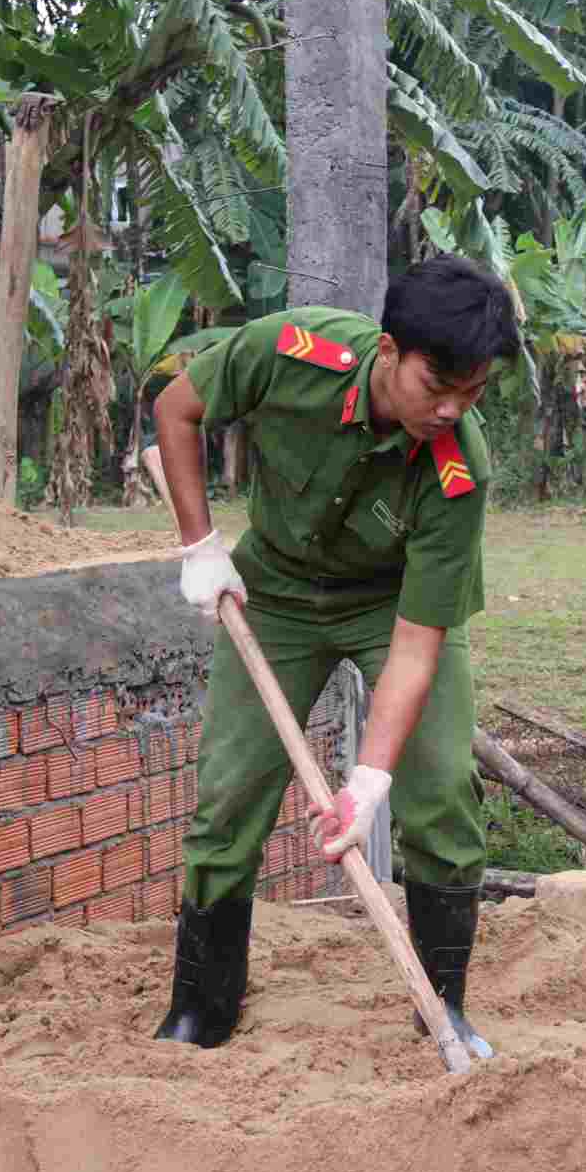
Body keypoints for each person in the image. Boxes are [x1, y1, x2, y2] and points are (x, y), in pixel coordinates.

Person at [149, 255, 519, 1059]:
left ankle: (442, 1006)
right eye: (438, 384)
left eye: (475, 390)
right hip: (275, 592)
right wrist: (200, 546)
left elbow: (418, 647)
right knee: (228, 793)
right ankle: (202, 1006)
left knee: (443, 792)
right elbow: (176, 409)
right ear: (389, 351)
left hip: (394, 604)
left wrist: (369, 781)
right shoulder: (289, 352)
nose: (453, 408)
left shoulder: (460, 472)